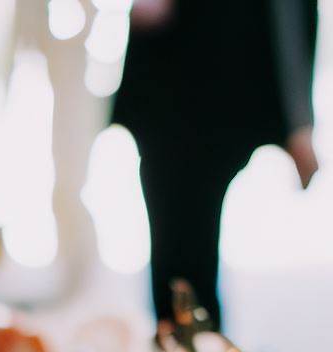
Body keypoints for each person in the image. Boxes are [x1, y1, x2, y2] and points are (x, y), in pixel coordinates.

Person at [113, 0, 319, 327]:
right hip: (178, 71)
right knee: (179, 251)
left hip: (228, 65)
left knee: (187, 250)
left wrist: (299, 119)